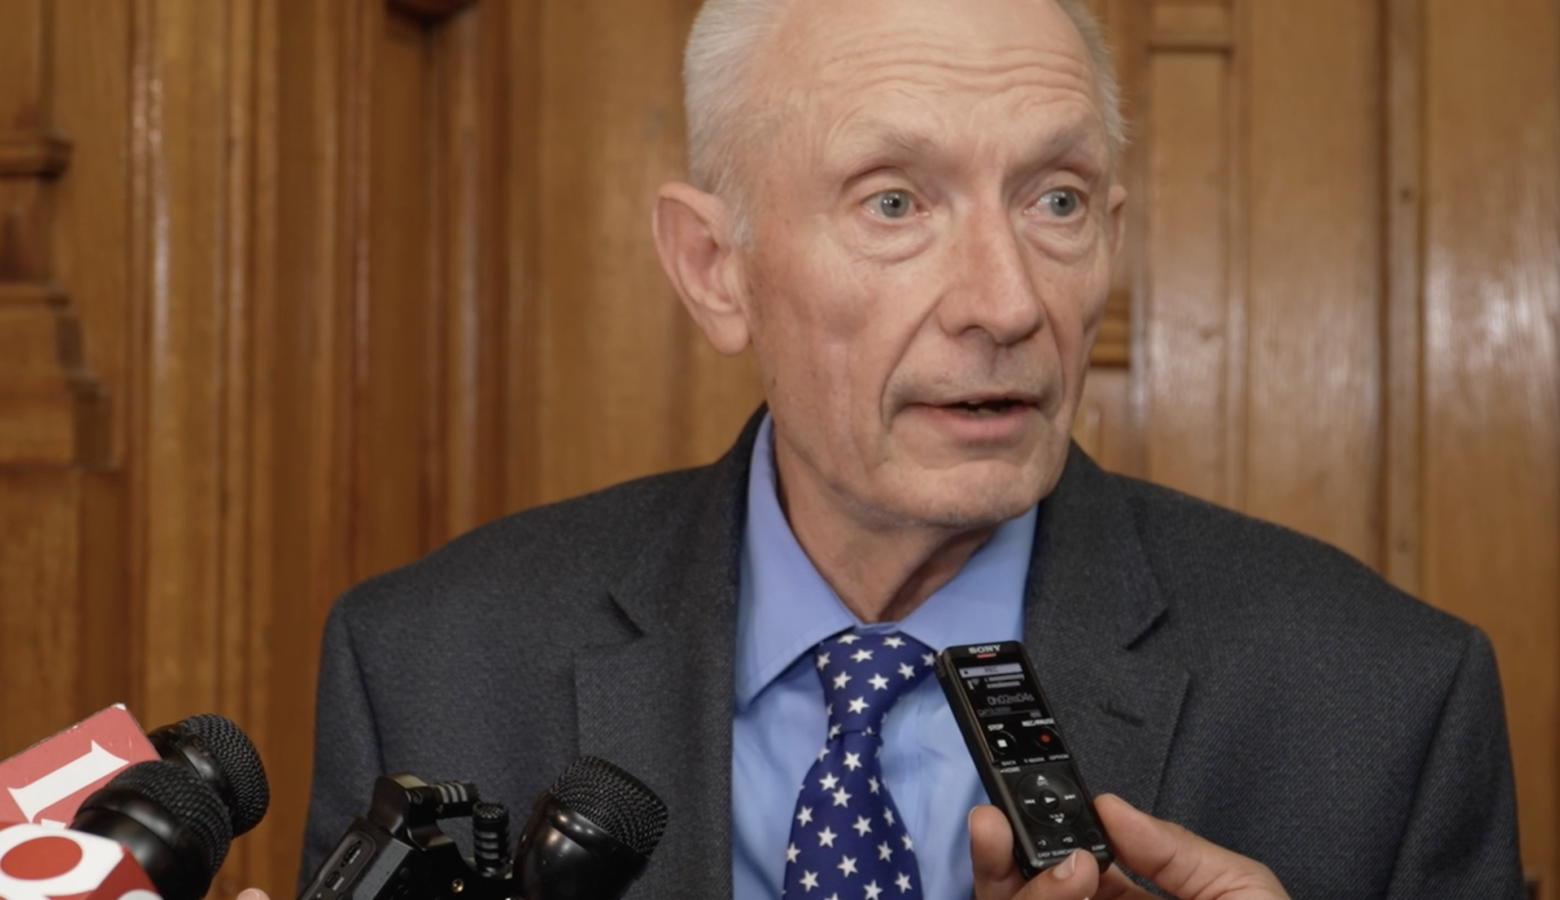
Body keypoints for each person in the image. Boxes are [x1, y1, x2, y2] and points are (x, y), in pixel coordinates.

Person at [284, 0, 1524, 898]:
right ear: (718, 270)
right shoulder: (428, 666)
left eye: (1057, 201)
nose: (1007, 303)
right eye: (895, 201)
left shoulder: (1386, 702)